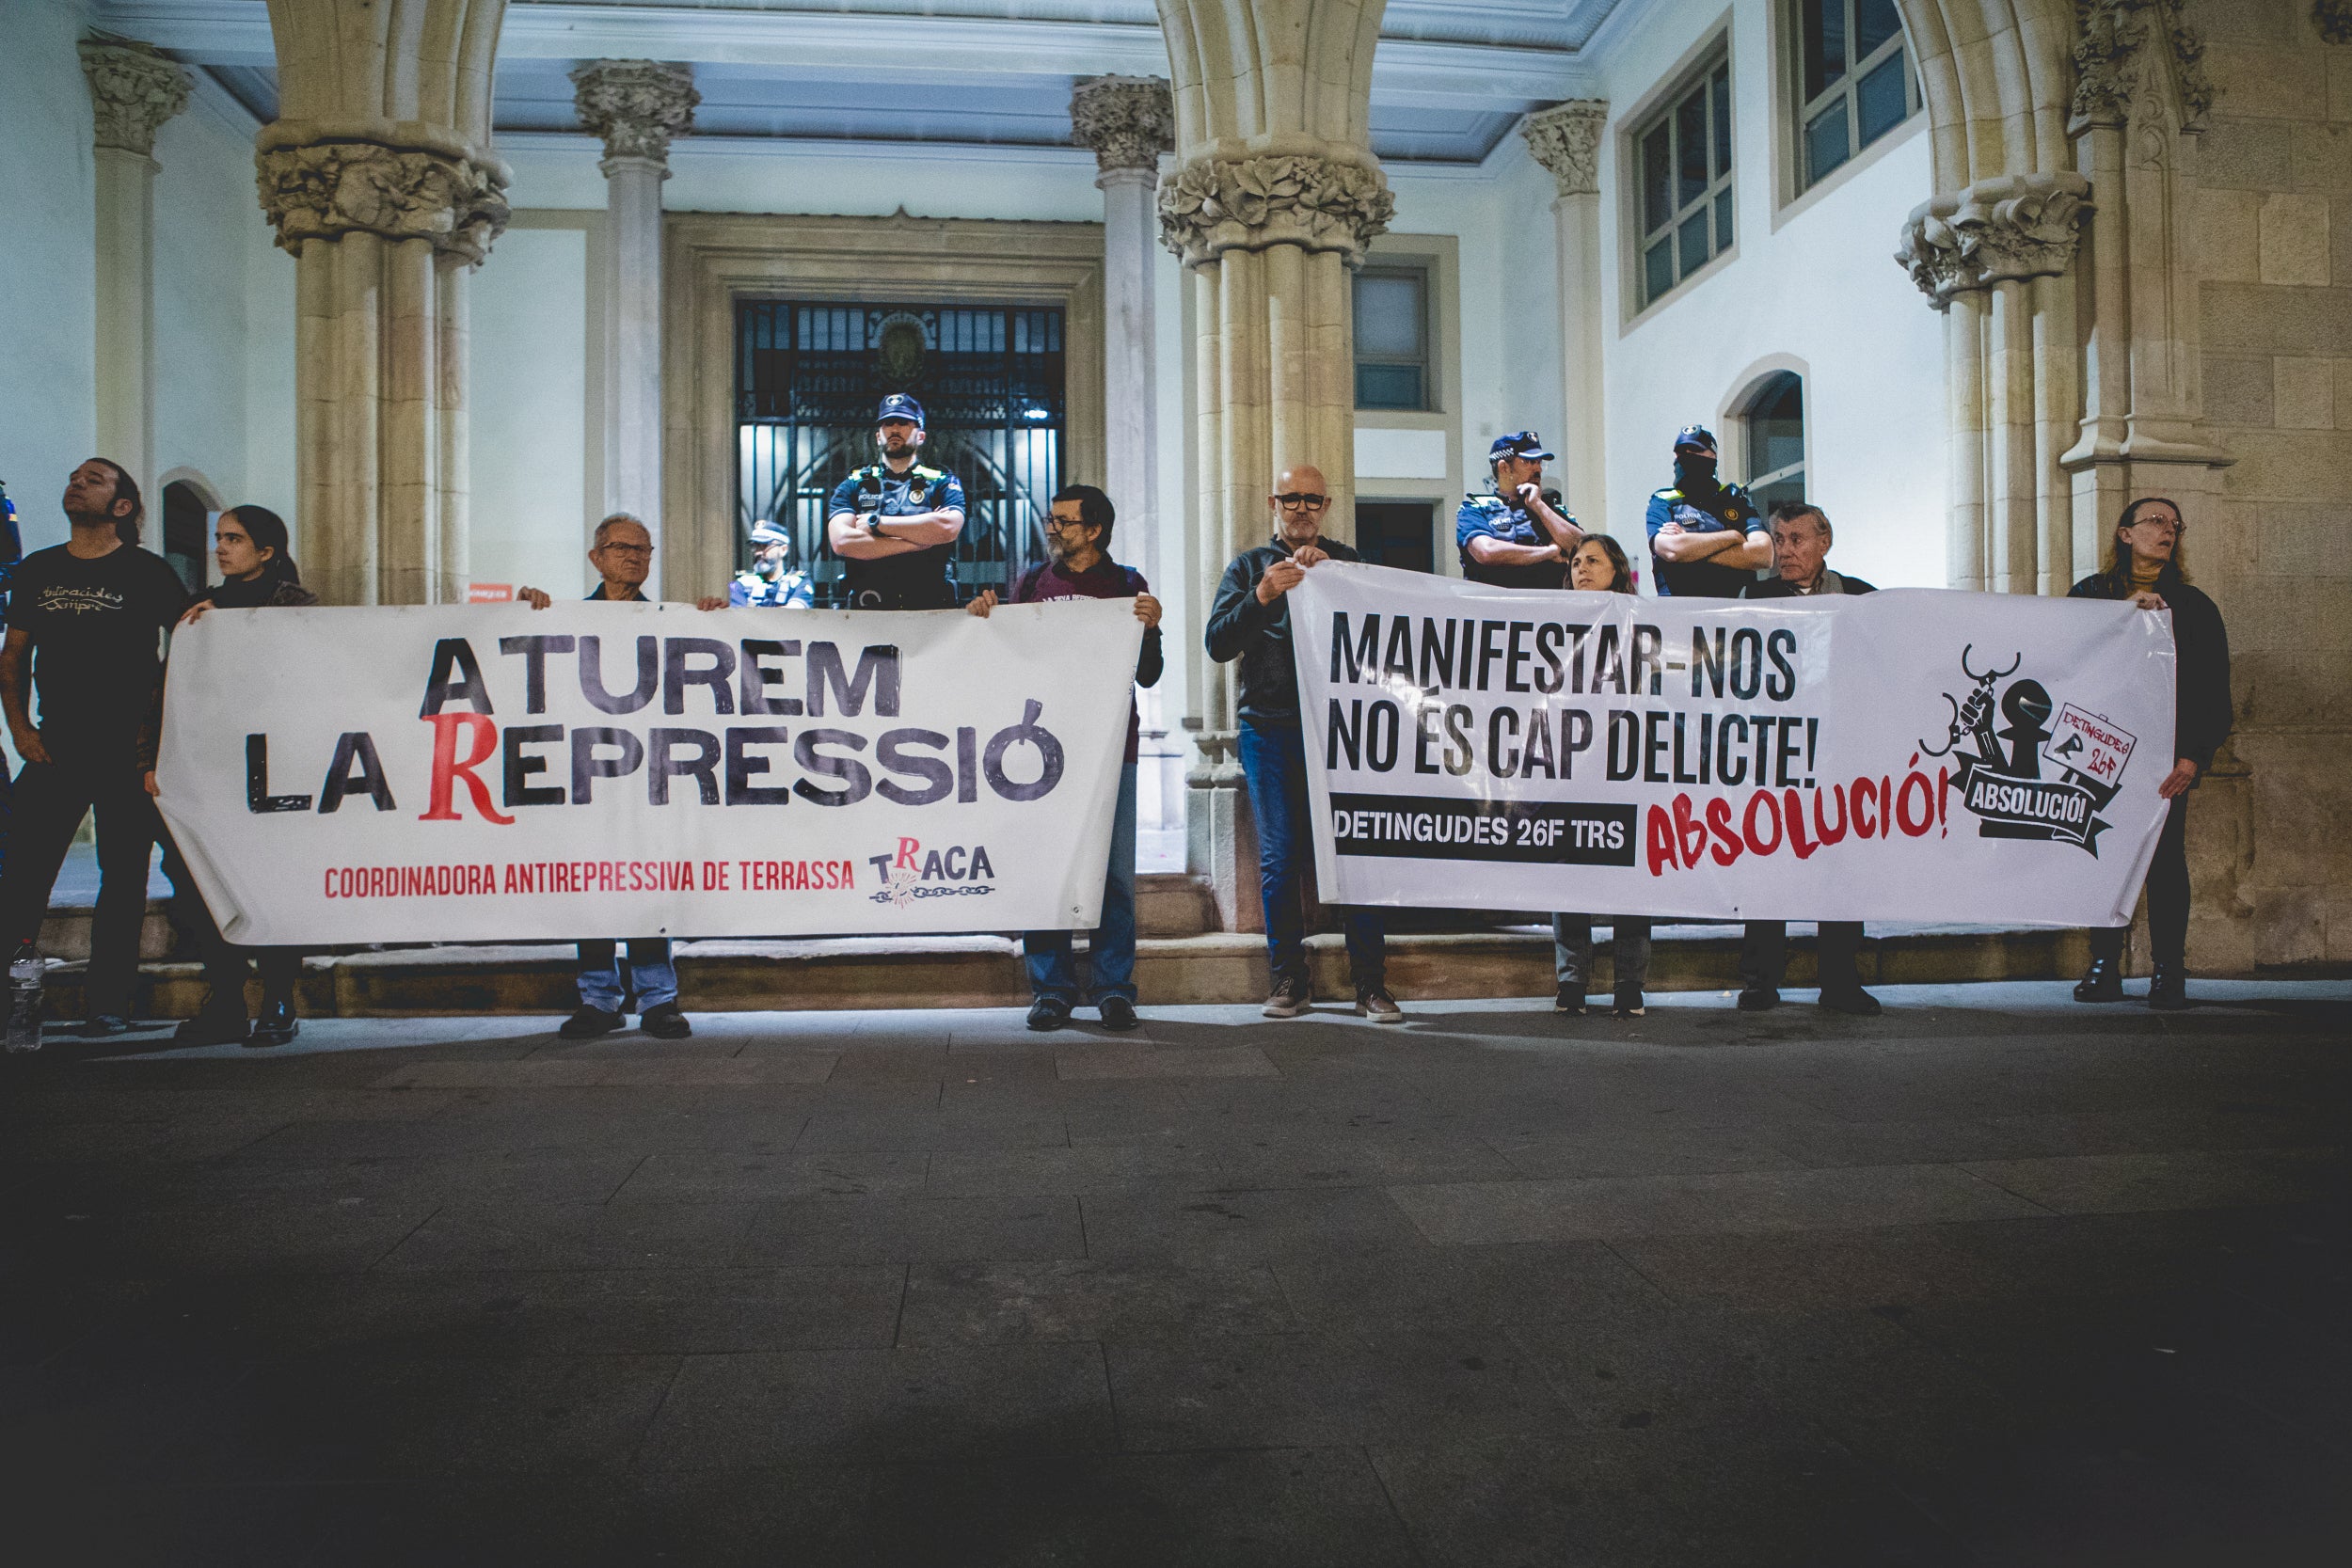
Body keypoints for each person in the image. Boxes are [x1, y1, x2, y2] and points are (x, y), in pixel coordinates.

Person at [1206, 464, 1403, 1023]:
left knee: (1357, 854)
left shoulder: (1348, 562)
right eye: (1290, 498)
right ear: (1274, 504)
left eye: (1311, 500)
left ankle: (1371, 984)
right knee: (1279, 858)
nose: (1300, 509)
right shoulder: (1248, 567)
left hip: (1342, 730)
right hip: (1269, 728)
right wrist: (1263, 594)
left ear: (1326, 507)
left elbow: (1384, 634)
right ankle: (1289, 978)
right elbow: (1217, 643)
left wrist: (1336, 576)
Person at [0, 459, 189, 1037]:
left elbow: (190, 648)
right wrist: (20, 731)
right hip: (54, 747)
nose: (77, 483)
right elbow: (14, 656)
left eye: (94, 479)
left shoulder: (148, 572)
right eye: (75, 477)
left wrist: (162, 738)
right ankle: (12, 1002)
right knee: (21, 880)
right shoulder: (39, 568)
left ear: (122, 506)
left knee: (124, 880)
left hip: (127, 752)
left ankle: (108, 1003)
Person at [967, 484, 1163, 1033]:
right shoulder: (1032, 583)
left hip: (1111, 751)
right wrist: (984, 618)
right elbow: (1004, 657)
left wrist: (1151, 629)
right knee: (1044, 868)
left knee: (1114, 876)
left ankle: (1113, 989)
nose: (1051, 528)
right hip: (1042, 754)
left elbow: (1149, 675)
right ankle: (1051, 989)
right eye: (1051, 520)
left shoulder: (1126, 585)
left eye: (1063, 521)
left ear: (1094, 530)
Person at [145, 507, 316, 1045]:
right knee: (200, 881)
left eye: (234, 539)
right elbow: (170, 689)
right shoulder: (199, 609)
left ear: (266, 551)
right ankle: (225, 998)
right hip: (208, 767)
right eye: (219, 537)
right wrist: (151, 758)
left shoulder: (297, 607)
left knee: (273, 879)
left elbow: (312, 678)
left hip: (276, 766)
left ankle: (279, 998)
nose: (220, 547)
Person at [518, 514, 692, 1040]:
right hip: (588, 777)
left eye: (644, 549)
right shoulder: (566, 618)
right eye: (622, 548)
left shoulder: (668, 619)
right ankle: (599, 998)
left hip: (648, 776)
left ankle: (658, 999)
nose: (635, 557)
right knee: (592, 886)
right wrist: (521, 614)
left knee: (647, 886)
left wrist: (713, 619)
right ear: (596, 558)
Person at [2068, 497, 2231, 1010]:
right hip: (2099, 752)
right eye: (2156, 521)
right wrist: (2123, 615)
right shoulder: (2090, 595)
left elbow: (2212, 688)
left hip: (2166, 759)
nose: (2168, 531)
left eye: (2175, 525)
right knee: (2101, 854)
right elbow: (2067, 660)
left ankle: (2168, 972)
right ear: (2125, 534)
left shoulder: (2195, 606)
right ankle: (2103, 965)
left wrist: (2194, 756)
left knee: (2165, 863)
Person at [1736, 502, 1881, 1016]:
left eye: (1797, 539)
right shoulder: (1755, 597)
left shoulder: (1862, 598)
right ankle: (1760, 980)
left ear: (1825, 542)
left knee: (1840, 864)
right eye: (1778, 539)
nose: (1785, 551)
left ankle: (1840, 981)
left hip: (1841, 754)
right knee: (1767, 861)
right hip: (1775, 754)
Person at [1556, 534, 1653, 1018]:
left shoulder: (1644, 623)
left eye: (1593, 560)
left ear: (1618, 570)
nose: (1582, 568)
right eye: (1576, 561)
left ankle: (1629, 984)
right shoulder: (1551, 623)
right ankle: (1572, 982)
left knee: (1629, 880)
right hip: (1571, 765)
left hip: (1625, 766)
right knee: (1568, 875)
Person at [825, 394, 968, 610]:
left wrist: (876, 524)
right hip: (869, 605)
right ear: (878, 437)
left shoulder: (941, 481)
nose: (894, 429)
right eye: (887, 423)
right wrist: (919, 541)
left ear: (921, 436)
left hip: (930, 606)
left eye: (903, 423)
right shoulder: (854, 483)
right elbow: (842, 541)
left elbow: (948, 527)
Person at [1645, 425, 1769, 597]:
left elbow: (1763, 554)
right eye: (1681, 452)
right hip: (1679, 609)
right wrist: (1732, 537)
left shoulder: (1735, 500)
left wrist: (1690, 549)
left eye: (1695, 450)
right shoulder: (1663, 501)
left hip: (1732, 608)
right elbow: (1672, 550)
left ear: (1712, 456)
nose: (1687, 455)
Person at [1456, 432, 1582, 589]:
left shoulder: (1552, 509)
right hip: (1494, 603)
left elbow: (1583, 548)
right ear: (1504, 468)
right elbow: (1486, 552)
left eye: (1539, 462)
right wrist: (1549, 552)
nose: (1538, 468)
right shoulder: (1475, 509)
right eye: (1528, 462)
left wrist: (1538, 506)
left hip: (1548, 603)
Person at [731, 520, 814, 608]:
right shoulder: (743, 583)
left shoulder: (798, 582)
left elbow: (794, 612)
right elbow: (738, 614)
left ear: (783, 550)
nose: (758, 552)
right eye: (755, 546)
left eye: (765, 546)